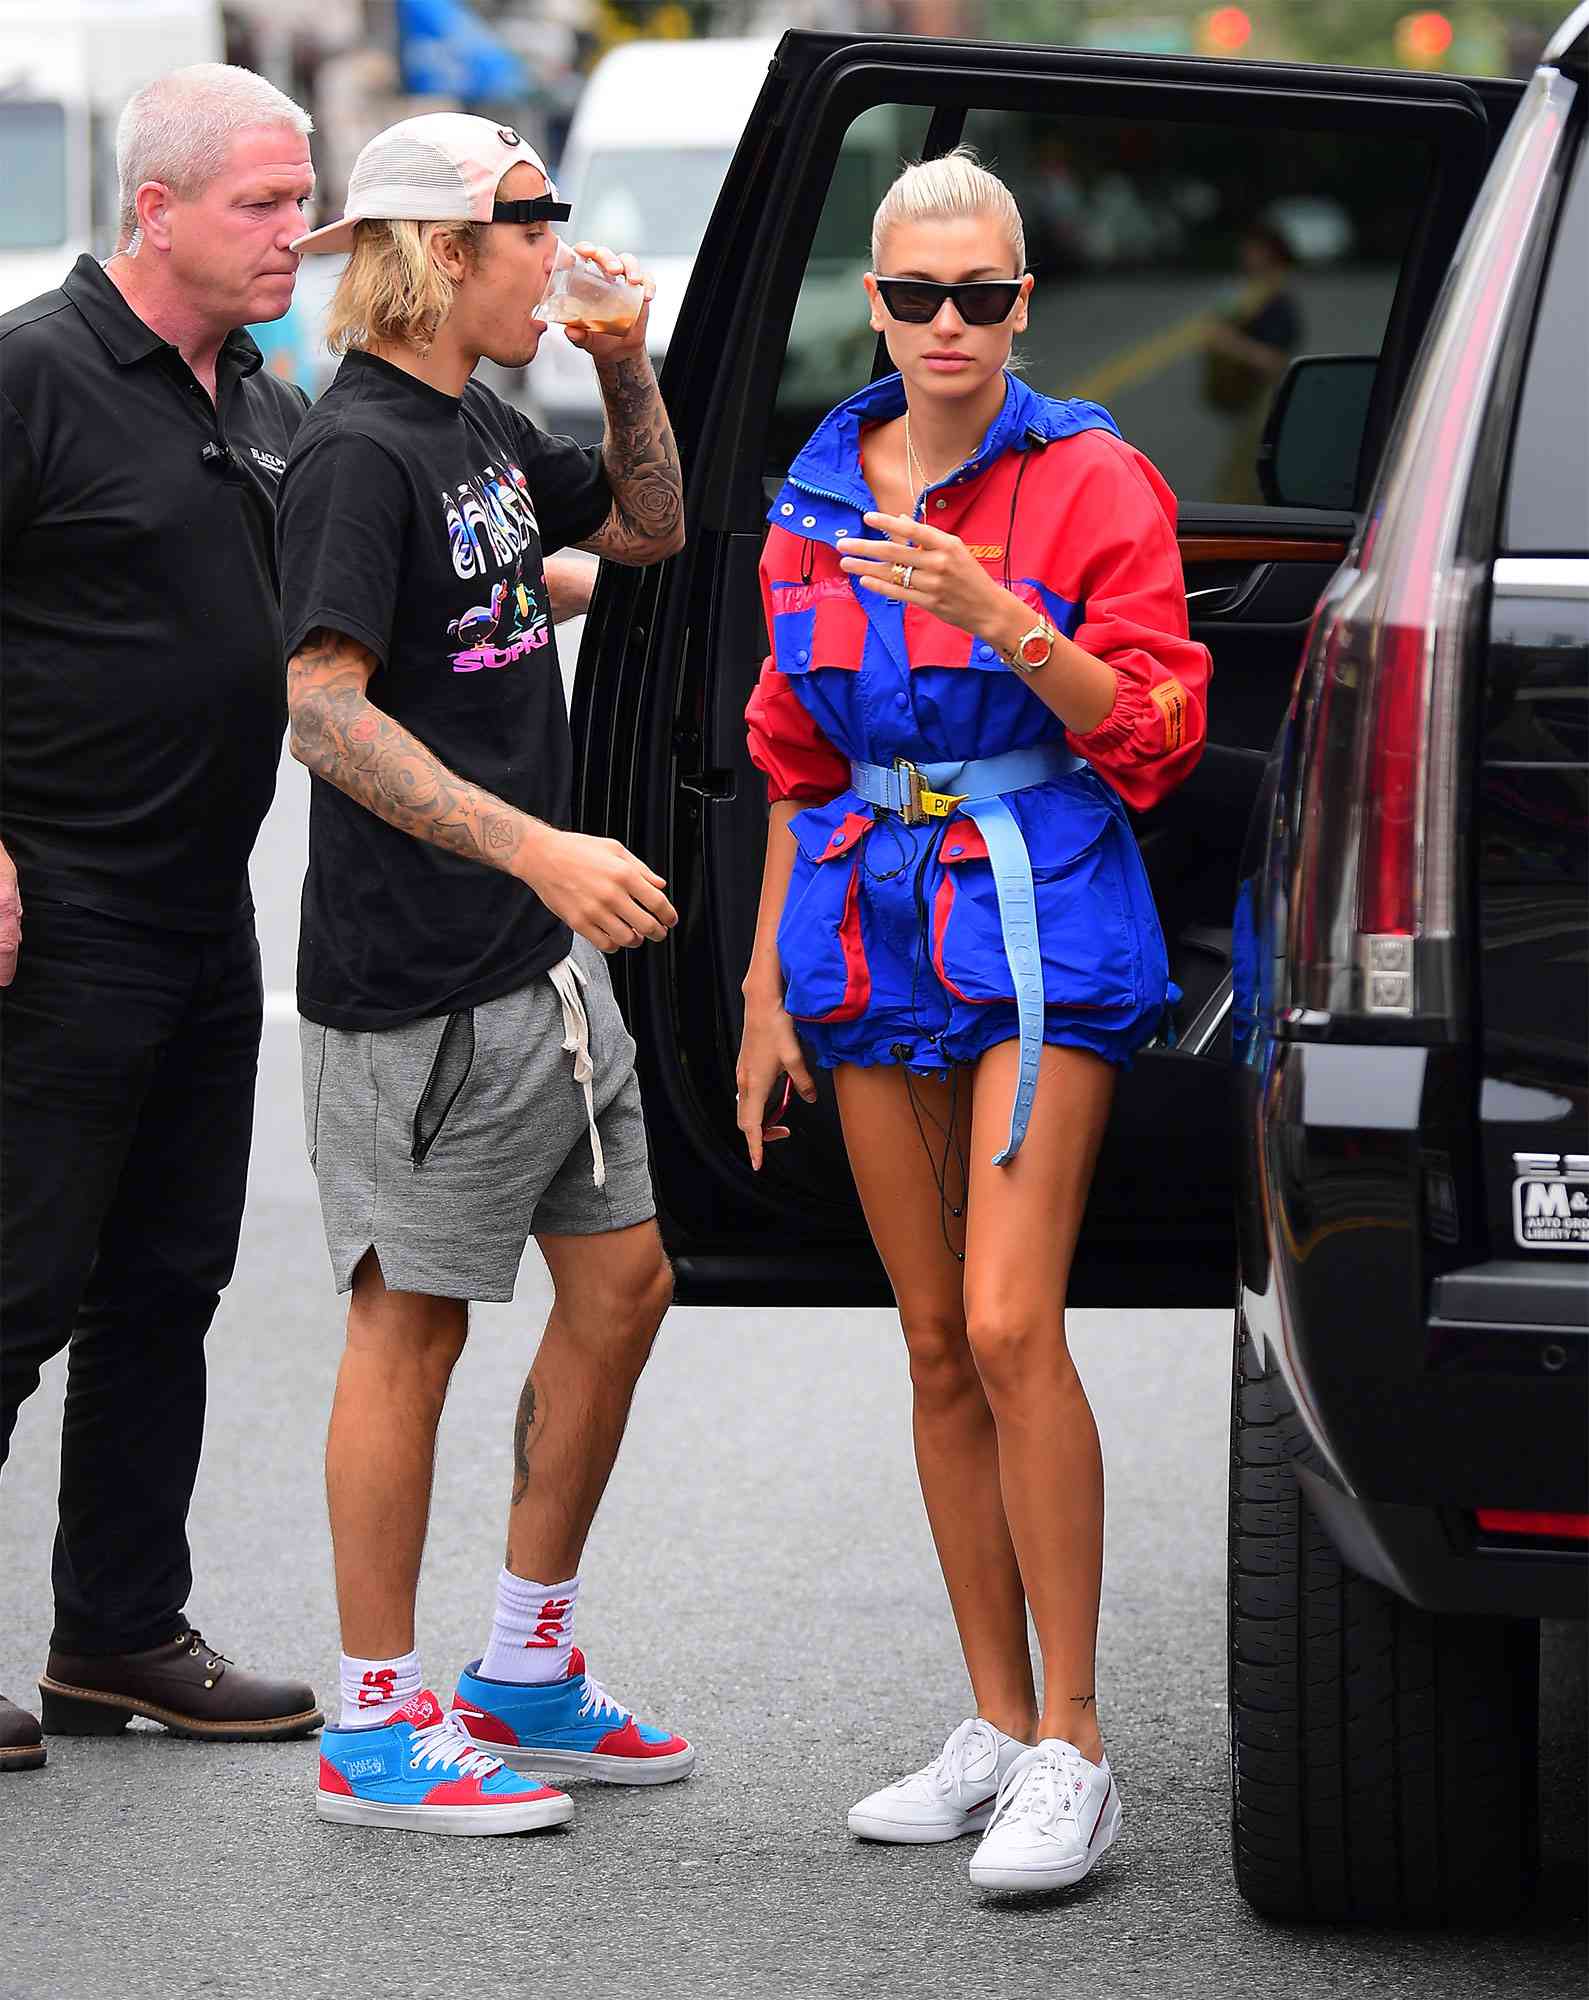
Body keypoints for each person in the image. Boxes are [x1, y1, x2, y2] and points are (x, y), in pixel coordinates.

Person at [735, 148, 1210, 1895]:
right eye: (916, 294)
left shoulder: (1087, 476)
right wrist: (761, 989)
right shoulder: (812, 487)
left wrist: (998, 617)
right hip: (861, 921)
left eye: (982, 296)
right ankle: (997, 1726)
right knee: (930, 1340)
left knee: (1014, 1324)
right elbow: (789, 752)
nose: (949, 325)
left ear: (1024, 305)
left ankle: (1076, 1746)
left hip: (1036, 904)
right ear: (872, 303)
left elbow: (1152, 736)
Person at [277, 113, 691, 1836]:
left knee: (626, 1288)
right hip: (420, 981)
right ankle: (374, 1726)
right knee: (411, 1325)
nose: (559, 248)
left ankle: (521, 1665)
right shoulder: (359, 454)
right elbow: (320, 707)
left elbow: (649, 537)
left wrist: (629, 368)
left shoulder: (481, 424)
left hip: (539, 968)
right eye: (538, 227)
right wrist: (536, 845)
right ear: (445, 248)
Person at [0, 64, 327, 1775]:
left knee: (163, 1293)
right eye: (263, 203)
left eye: (302, 198)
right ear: (158, 209)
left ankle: (116, 1633)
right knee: (12, 1288)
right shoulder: (34, 376)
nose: (296, 230)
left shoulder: (261, 393)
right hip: (56, 916)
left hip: (207, 919)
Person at [1201, 219, 1302, 504]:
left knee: (1248, 475)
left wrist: (1230, 345)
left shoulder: (1277, 300)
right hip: (1249, 399)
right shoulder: (1247, 295)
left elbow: (1275, 360)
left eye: (1254, 248)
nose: (1246, 254)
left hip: (1266, 399)